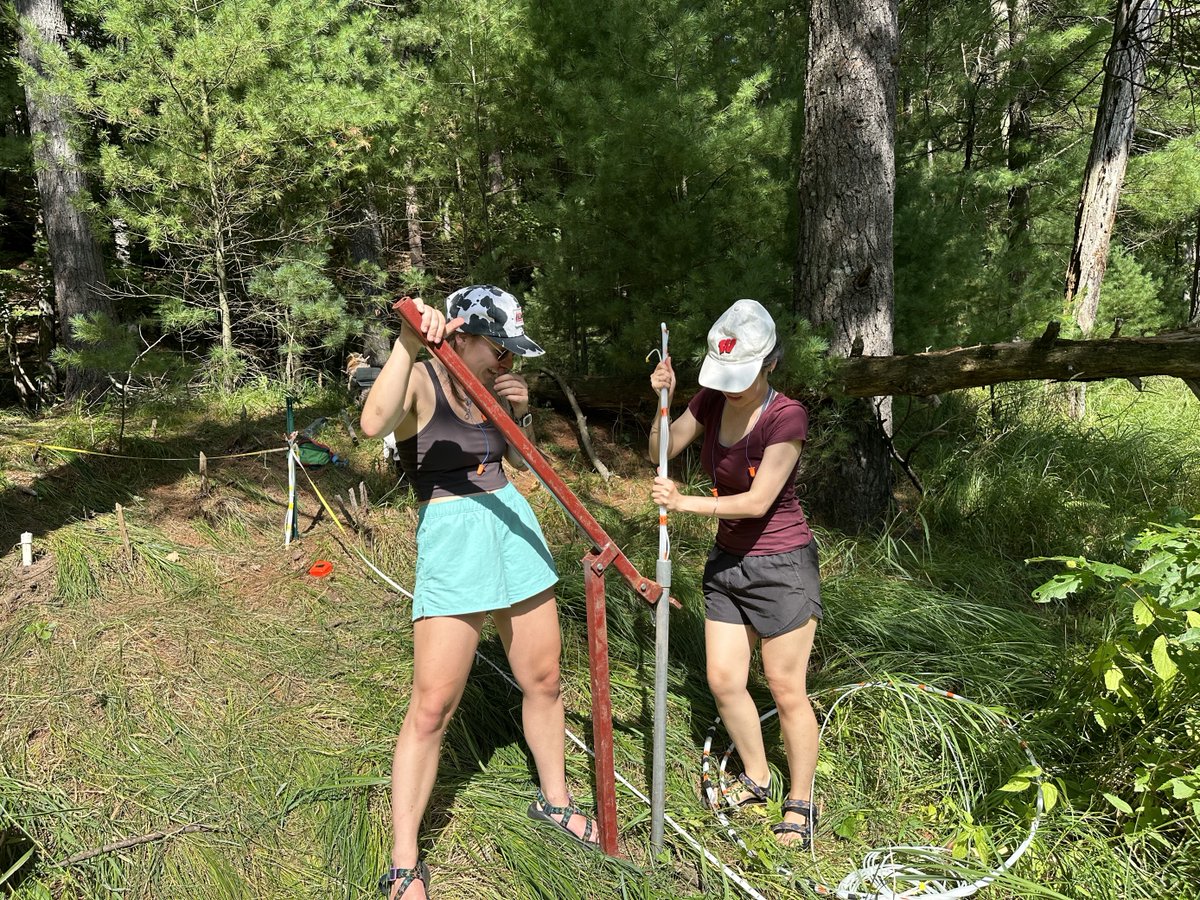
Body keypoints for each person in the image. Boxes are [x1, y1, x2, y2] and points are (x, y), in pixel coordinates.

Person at [361, 286, 598, 900]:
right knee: (433, 706)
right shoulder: (421, 378)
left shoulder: (492, 384)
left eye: (513, 353)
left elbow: (509, 464)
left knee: (545, 678)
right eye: (500, 349)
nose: (508, 363)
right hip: (454, 534)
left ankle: (555, 800)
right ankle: (405, 859)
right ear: (460, 335)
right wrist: (407, 345)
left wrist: (517, 416)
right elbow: (371, 423)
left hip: (513, 527)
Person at [648, 298, 822, 848]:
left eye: (742, 377)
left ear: (769, 362)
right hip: (727, 564)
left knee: (785, 687)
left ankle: (801, 801)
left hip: (781, 565)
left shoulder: (786, 416)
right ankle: (756, 775)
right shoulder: (710, 398)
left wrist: (684, 505)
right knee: (724, 681)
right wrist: (664, 401)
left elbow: (758, 501)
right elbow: (661, 450)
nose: (731, 387)